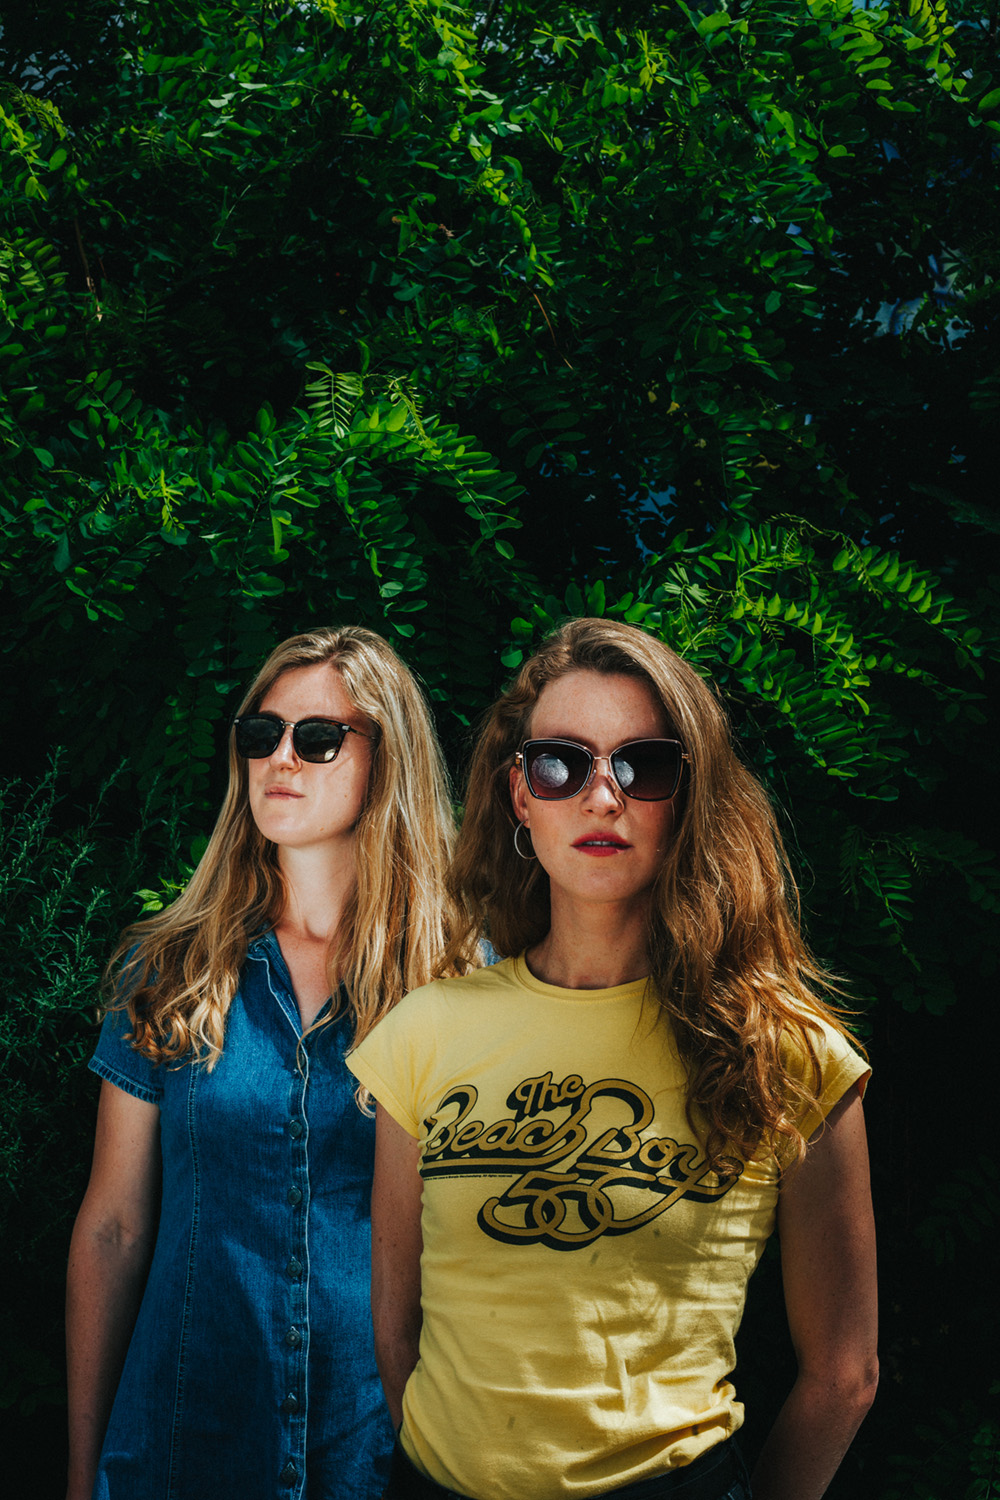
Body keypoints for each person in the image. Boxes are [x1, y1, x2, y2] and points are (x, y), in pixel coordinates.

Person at [346, 617, 878, 1500]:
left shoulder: (785, 1055)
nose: (602, 796)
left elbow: (844, 1374)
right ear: (520, 795)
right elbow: (397, 1333)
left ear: (689, 796)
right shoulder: (424, 1033)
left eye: (644, 765)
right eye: (560, 763)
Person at [66, 625, 471, 1500]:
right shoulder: (168, 966)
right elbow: (113, 1229)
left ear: (387, 760)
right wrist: (78, 1471)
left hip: (380, 1455)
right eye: (261, 733)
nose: (280, 758)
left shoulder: (457, 981)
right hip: (182, 1445)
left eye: (318, 737)